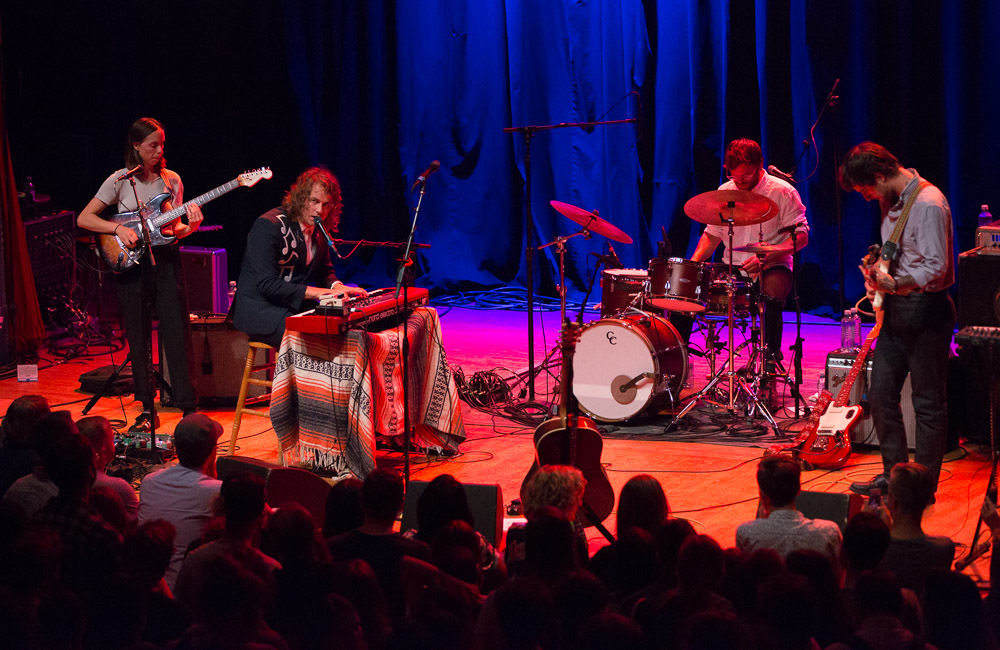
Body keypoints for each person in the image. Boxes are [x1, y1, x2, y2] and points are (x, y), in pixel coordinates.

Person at [839, 142, 955, 501]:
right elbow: (899, 258)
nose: (867, 198)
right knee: (882, 395)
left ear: (879, 176)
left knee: (927, 402)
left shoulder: (929, 203)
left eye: (866, 190)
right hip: (897, 310)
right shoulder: (892, 201)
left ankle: (922, 488)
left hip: (927, 310)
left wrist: (897, 282)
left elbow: (937, 268)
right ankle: (893, 475)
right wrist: (876, 271)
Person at [77, 117, 202, 428]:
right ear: (136, 146)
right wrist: (117, 227)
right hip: (133, 263)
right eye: (152, 145)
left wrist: (192, 227)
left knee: (177, 332)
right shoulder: (119, 180)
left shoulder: (172, 180)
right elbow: (85, 218)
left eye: (162, 144)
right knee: (138, 334)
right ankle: (147, 407)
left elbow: (175, 228)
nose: (159, 150)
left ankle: (188, 408)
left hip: (167, 260)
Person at [690, 138, 809, 370]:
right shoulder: (725, 192)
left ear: (761, 164)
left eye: (746, 175)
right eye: (735, 175)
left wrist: (770, 255)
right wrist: (694, 264)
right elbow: (712, 234)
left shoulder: (783, 191)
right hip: (732, 268)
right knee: (684, 294)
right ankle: (676, 363)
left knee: (770, 294)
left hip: (774, 265)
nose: (740, 181)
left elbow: (802, 236)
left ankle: (769, 363)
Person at [232, 166, 367, 348]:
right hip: (261, 312)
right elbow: (267, 283)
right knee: (319, 342)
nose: (320, 210)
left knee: (346, 330)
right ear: (301, 198)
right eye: (314, 201)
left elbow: (325, 272)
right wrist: (320, 293)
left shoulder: (319, 230)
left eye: (326, 204)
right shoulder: (268, 225)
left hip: (290, 308)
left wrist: (340, 288)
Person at [137, 413, 224, 590]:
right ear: (213, 451)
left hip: (150, 590)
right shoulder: (217, 492)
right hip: (188, 594)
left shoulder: (148, 482)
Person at [735, 456, 841, 567]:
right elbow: (837, 578)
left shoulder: (746, 532)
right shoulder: (829, 531)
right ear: (798, 490)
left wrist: (761, 524)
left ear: (761, 494)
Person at [878, 463, 955, 596]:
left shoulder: (876, 550)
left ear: (893, 501)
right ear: (927, 501)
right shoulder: (944, 548)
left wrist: (880, 529)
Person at [76, 415, 139, 525]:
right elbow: (136, 527)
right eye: (112, 439)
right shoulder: (118, 487)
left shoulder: (65, 478)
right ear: (103, 452)